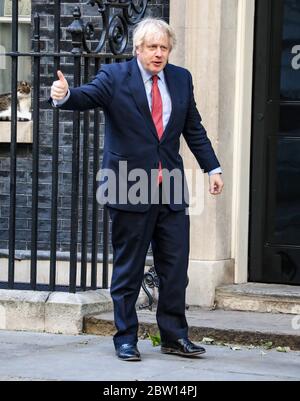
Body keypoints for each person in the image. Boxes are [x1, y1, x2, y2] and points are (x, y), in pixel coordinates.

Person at [50, 18, 224, 362]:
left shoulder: (180, 79)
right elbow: (86, 97)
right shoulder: (116, 77)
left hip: (170, 187)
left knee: (174, 268)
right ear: (138, 49)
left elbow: (193, 127)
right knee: (128, 268)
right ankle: (125, 337)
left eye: (164, 48)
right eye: (152, 47)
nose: (159, 54)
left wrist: (212, 167)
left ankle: (174, 337)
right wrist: (65, 95)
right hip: (128, 184)